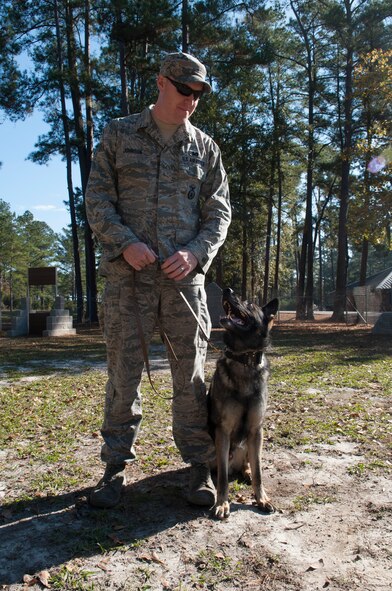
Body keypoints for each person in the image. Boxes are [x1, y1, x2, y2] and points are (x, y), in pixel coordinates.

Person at [85, 51, 231, 509]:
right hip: (128, 281)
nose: (191, 100)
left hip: (183, 285)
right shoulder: (119, 134)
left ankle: (198, 468)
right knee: (123, 376)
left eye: (199, 93)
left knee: (189, 377)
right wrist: (124, 242)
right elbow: (97, 198)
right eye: (185, 89)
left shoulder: (205, 148)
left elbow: (219, 212)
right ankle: (114, 470)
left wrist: (196, 252)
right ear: (162, 82)